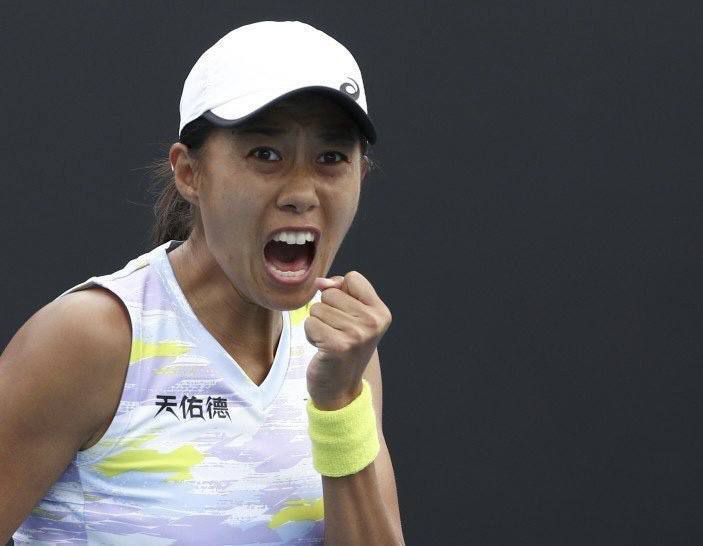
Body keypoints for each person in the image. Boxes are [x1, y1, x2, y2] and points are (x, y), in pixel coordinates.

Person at [0, 21, 404, 545]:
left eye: (331, 158)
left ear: (360, 176)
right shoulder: (91, 338)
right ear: (190, 174)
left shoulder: (342, 356)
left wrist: (339, 402)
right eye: (266, 154)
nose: (302, 192)